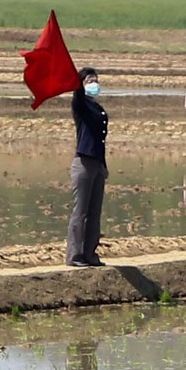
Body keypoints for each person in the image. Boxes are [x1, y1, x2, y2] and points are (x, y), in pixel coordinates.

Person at [66, 65, 107, 267]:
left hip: (98, 163)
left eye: (96, 80)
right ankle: (75, 256)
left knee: (94, 212)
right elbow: (78, 96)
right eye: (89, 80)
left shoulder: (98, 108)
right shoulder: (80, 104)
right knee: (80, 212)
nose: (94, 84)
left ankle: (90, 254)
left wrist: (103, 166)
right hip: (83, 163)